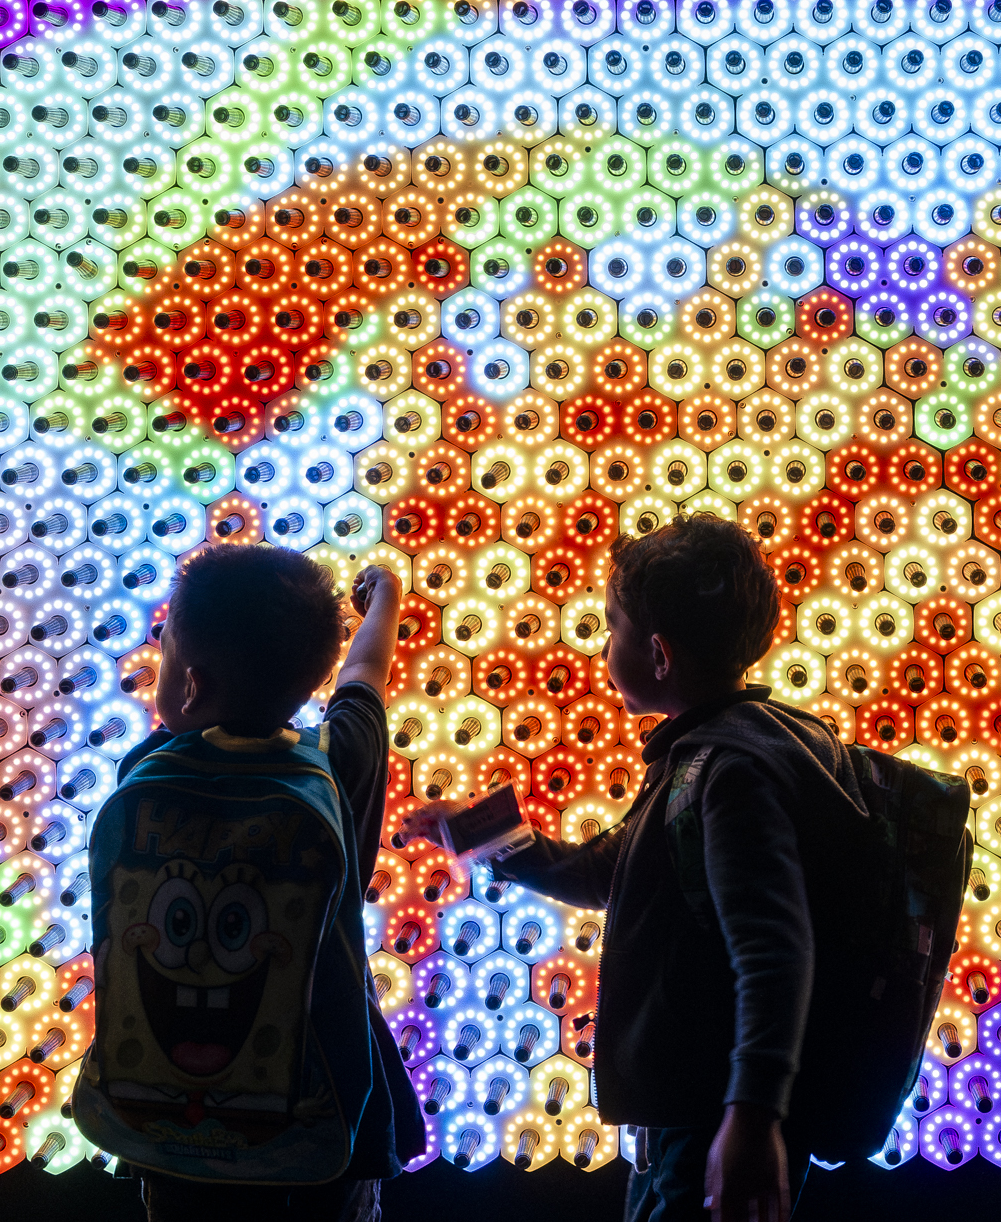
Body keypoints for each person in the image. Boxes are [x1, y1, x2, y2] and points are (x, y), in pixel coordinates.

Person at [405, 515, 861, 1222]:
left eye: (609, 625)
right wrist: (475, 833)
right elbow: (601, 872)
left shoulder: (728, 770)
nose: (601, 645)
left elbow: (774, 951)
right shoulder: (706, 754)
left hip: (709, 1117)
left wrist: (752, 1115)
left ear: (657, 652)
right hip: (689, 1110)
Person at [82, 547, 422, 1222]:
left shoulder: (145, 767)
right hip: (320, 1127)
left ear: (189, 686)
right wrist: (385, 598)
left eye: (166, 648)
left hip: (175, 1131)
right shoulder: (337, 761)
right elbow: (365, 674)